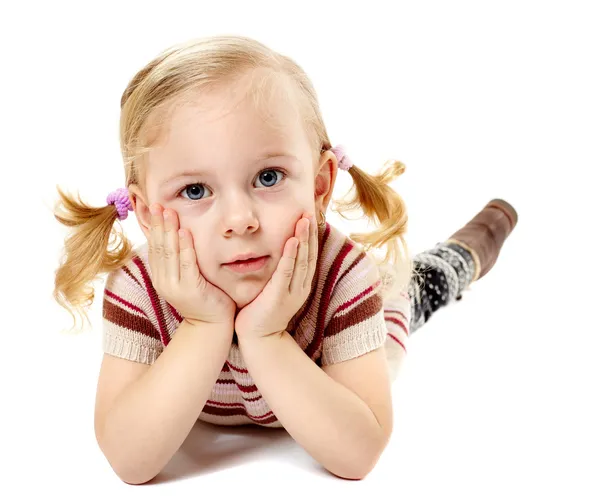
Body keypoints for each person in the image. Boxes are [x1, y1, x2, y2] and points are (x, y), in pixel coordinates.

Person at [52, 35, 518, 483]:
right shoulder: (140, 286)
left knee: (409, 288)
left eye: (269, 177)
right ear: (149, 214)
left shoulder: (343, 276)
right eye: (195, 190)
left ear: (319, 187)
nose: (239, 219)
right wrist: (203, 326)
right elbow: (129, 462)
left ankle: (466, 251)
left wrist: (266, 335)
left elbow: (358, 454)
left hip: (355, 328)